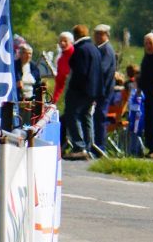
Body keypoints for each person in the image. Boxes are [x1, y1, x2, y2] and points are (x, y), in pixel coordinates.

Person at [62, 25, 101, 160]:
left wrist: (73, 88)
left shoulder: (80, 50)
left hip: (80, 90)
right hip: (93, 91)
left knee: (72, 115)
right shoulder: (94, 49)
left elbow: (80, 72)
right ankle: (88, 146)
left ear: (75, 36)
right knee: (86, 116)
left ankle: (79, 146)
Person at [91, 24, 118, 157]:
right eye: (95, 34)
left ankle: (99, 147)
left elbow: (102, 69)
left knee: (100, 118)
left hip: (104, 91)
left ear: (106, 35)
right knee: (97, 118)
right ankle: (96, 145)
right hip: (100, 90)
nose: (96, 37)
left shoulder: (106, 50)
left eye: (100, 34)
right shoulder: (99, 49)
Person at [124, 64, 145, 156]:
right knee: (133, 132)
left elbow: (138, 105)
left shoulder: (139, 93)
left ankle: (134, 152)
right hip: (133, 114)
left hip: (137, 115)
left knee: (135, 133)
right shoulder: (134, 91)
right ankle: (136, 150)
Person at [54, 31, 73, 100]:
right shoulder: (60, 59)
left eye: (65, 41)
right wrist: (54, 100)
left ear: (71, 42)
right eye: (60, 41)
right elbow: (59, 82)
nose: (62, 43)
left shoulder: (76, 54)